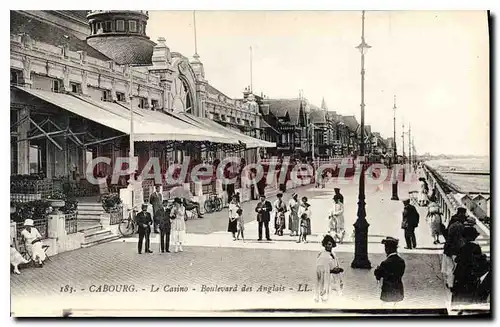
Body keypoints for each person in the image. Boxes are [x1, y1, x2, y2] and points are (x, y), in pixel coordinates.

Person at [451, 224, 487, 305]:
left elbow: (457, 259)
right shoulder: (476, 247)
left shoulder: (463, 247)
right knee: (469, 294)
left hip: (460, 274)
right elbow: (479, 261)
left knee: (458, 293)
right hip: (470, 274)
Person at [374, 237, 405, 306]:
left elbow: (378, 276)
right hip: (398, 290)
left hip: (387, 290)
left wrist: (377, 270)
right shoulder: (401, 261)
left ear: (388, 249)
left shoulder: (385, 263)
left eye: (386, 248)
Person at [442, 207, 468, 288]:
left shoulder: (453, 221)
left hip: (448, 247)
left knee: (450, 266)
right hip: (454, 249)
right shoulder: (459, 225)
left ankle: (449, 283)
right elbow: (459, 239)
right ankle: (451, 284)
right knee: (453, 267)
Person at [314, 234, 343, 302]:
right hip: (327, 279)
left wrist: (338, 269)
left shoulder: (333, 254)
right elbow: (320, 270)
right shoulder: (322, 255)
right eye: (326, 244)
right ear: (324, 245)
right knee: (327, 296)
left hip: (334, 278)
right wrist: (332, 270)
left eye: (330, 244)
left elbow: (335, 264)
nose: (328, 246)